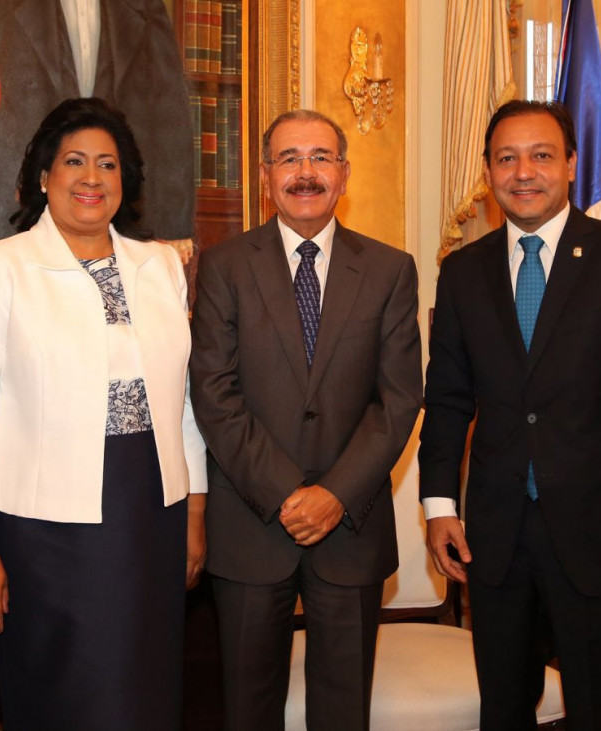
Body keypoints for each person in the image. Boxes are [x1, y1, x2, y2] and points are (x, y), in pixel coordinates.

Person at [419, 100, 601, 731]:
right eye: (507, 158)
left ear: (573, 165)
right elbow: (445, 397)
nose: (524, 172)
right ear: (489, 171)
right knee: (503, 710)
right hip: (493, 544)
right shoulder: (462, 273)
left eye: (542, 155)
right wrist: (439, 506)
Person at [0, 97, 208, 731]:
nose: (92, 178)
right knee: (68, 695)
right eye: (75, 162)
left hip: (152, 511)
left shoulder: (160, 266)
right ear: (44, 177)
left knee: (146, 691)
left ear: (125, 181)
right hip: (43, 530)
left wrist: (195, 515)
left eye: (108, 165)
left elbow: (185, 403)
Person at [189, 109, 423, 731]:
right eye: (289, 159)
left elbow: (398, 400)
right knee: (247, 709)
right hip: (250, 526)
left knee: (343, 710)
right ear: (266, 176)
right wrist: (288, 493)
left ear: (344, 174)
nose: (305, 173)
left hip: (351, 530)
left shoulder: (390, 269)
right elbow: (214, 392)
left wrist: (334, 496)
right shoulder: (224, 266)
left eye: (320, 157)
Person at [0, 0, 194, 247]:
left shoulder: (144, 4)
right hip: (26, 223)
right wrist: (12, 178)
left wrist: (173, 225)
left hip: (123, 226)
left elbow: (170, 111)